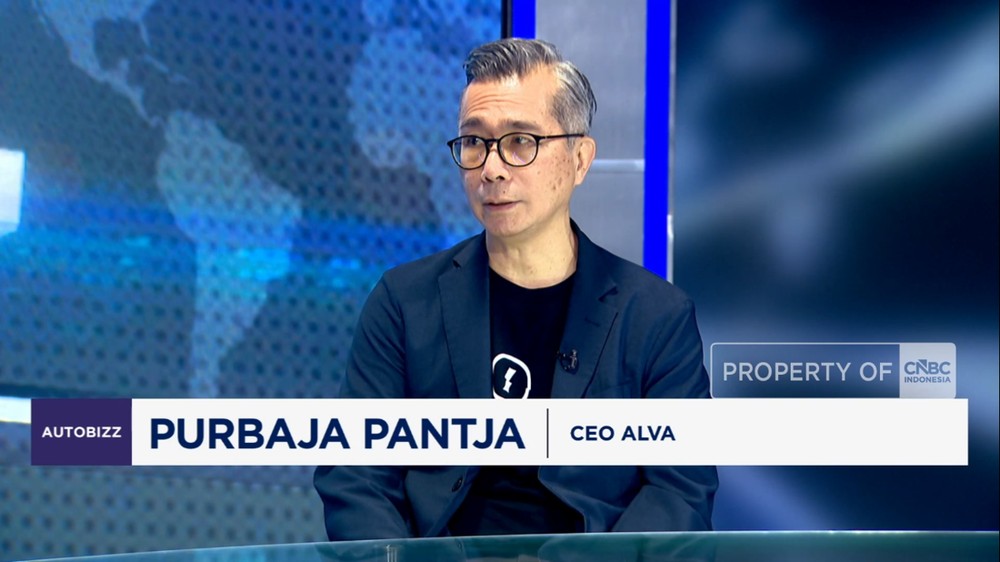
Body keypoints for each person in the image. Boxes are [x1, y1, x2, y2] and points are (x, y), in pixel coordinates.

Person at [314, 37, 716, 540]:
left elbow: (679, 492)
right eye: (474, 142)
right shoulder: (404, 302)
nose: (491, 168)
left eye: (520, 141)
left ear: (579, 159)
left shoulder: (655, 316)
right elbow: (355, 474)